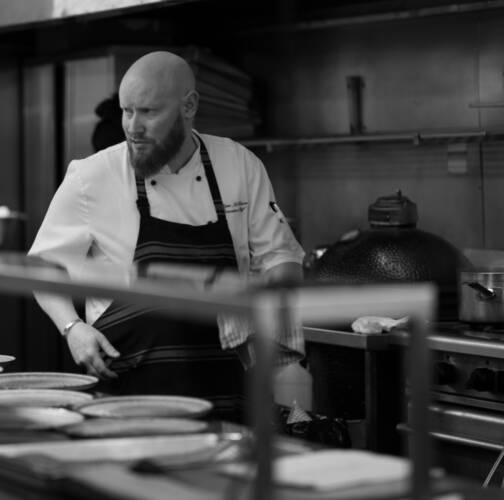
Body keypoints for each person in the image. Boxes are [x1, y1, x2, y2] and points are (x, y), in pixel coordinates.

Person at [28, 51, 305, 420]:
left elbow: (281, 258)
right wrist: (73, 328)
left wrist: (259, 298)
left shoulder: (239, 164)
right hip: (130, 390)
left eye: (148, 112)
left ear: (188, 106)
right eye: (127, 111)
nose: (132, 127)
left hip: (225, 385)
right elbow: (43, 266)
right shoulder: (91, 176)